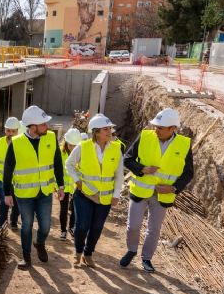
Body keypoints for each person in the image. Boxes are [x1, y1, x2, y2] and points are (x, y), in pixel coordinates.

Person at [120, 108, 194, 272]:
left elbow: (188, 172)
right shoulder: (145, 137)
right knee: (133, 226)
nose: (156, 130)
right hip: (140, 191)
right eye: (156, 126)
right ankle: (131, 250)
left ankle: (146, 258)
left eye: (160, 127)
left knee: (154, 229)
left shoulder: (183, 144)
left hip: (162, 196)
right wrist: (142, 169)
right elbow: (127, 159)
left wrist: (174, 188)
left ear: (173, 128)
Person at [3, 105, 65, 270]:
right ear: (32, 126)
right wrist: (7, 194)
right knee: (27, 224)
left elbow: (57, 162)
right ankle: (26, 258)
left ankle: (39, 243)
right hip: (24, 193)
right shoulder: (16, 143)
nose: (47, 126)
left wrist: (61, 185)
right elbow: (8, 170)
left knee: (45, 226)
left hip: (45, 191)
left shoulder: (51, 137)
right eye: (43, 124)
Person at [66, 114, 124, 268]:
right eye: (106, 129)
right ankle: (78, 252)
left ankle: (88, 253)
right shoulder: (83, 146)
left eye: (110, 128)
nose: (110, 131)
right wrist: (77, 180)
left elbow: (119, 174)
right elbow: (69, 164)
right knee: (82, 226)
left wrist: (116, 194)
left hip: (104, 197)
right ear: (96, 131)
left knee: (97, 227)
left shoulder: (116, 149)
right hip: (84, 195)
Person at [0, 117, 21, 228]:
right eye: (8, 130)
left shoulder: (22, 144)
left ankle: (14, 222)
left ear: (18, 131)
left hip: (18, 180)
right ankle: (1, 225)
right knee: (4, 203)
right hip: (2, 179)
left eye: (13, 131)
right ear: (5, 130)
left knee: (17, 203)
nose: (10, 133)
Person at [59, 128, 82, 240]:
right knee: (63, 209)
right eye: (70, 145)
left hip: (75, 186)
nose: (72, 147)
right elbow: (57, 170)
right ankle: (63, 231)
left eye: (75, 145)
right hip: (63, 186)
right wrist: (57, 186)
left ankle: (71, 228)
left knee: (74, 209)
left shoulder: (82, 152)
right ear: (66, 142)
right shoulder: (60, 152)